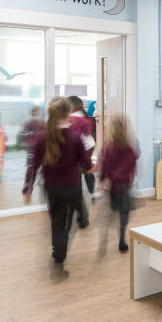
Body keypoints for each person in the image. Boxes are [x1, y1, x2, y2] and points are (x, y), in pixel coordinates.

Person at [22, 97, 92, 264]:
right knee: (67, 221)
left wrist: (27, 189)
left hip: (51, 187)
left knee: (56, 219)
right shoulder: (75, 137)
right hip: (71, 186)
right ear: (69, 113)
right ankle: (60, 249)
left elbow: (33, 165)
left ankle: (58, 251)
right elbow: (86, 164)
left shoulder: (41, 137)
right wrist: (94, 167)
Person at [97, 113, 140, 252]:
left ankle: (103, 240)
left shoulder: (109, 145)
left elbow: (104, 165)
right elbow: (136, 157)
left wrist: (101, 180)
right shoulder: (131, 143)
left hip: (114, 186)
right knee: (124, 213)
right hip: (126, 184)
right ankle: (122, 240)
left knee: (110, 213)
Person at [66, 96, 96, 226]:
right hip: (87, 147)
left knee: (79, 177)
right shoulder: (83, 117)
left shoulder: (74, 119)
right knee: (86, 171)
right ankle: (92, 193)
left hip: (81, 149)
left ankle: (82, 214)